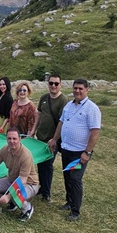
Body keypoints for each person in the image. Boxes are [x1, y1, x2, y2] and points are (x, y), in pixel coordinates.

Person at [48, 78, 101, 221]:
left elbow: (95, 131)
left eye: (80, 89)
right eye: (75, 88)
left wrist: (87, 152)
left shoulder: (91, 108)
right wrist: (54, 139)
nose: (77, 91)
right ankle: (69, 201)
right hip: (66, 149)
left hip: (80, 152)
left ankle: (75, 211)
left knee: (75, 179)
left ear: (86, 90)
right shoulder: (69, 106)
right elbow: (61, 123)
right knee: (67, 177)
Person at [0, 128, 39, 222]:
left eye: (14, 139)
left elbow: (23, 180)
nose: (12, 141)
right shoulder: (5, 150)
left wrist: (8, 196)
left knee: (15, 195)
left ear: (19, 139)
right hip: (11, 179)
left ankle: (27, 208)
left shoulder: (26, 155)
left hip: (29, 183)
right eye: (9, 138)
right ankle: (13, 203)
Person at [33, 74, 68, 202]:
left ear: (60, 85)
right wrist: (33, 130)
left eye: (56, 84)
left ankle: (46, 194)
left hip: (52, 140)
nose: (53, 86)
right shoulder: (43, 97)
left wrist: (54, 139)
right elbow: (39, 115)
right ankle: (42, 188)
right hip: (40, 137)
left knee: (48, 165)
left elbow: (62, 122)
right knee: (41, 164)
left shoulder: (63, 100)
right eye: (51, 83)